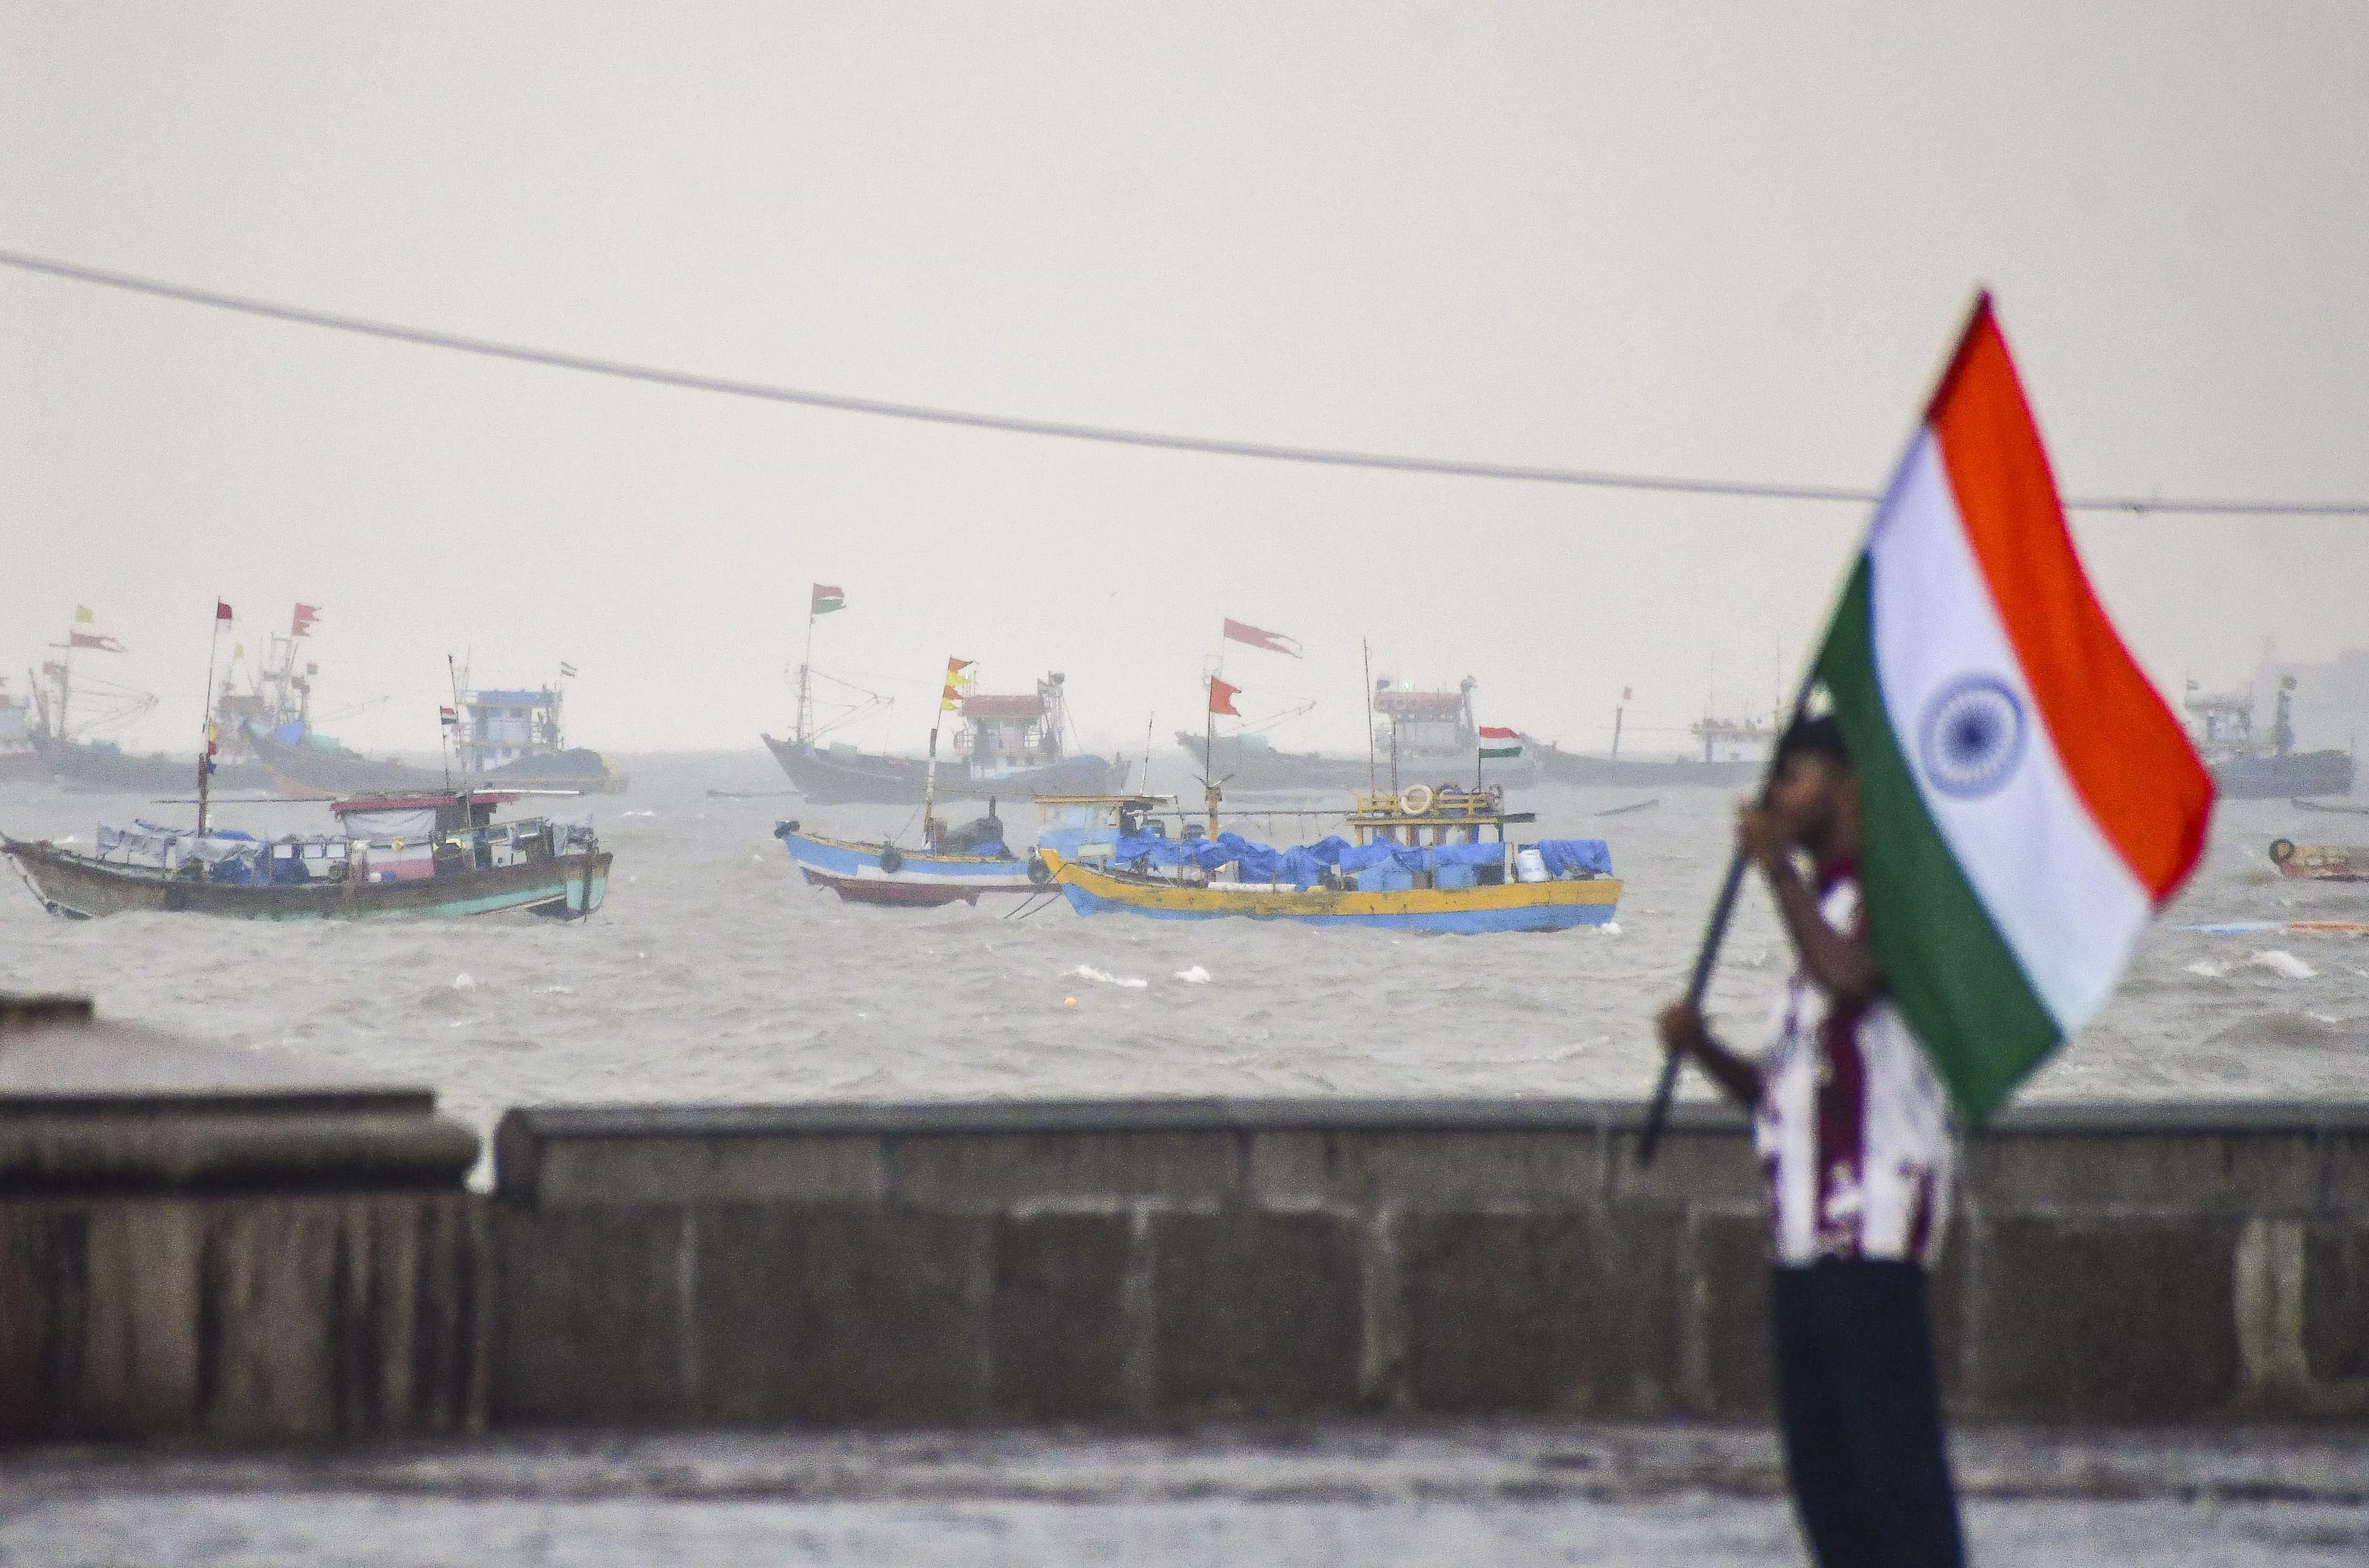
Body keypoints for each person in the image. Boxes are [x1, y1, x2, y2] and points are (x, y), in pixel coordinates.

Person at [1657, 713, 1965, 1568]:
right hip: (1800, 1244)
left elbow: (1856, 977)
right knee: (1830, 1496)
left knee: (1898, 1490)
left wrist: (1776, 874)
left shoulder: (1891, 891)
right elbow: (1779, 1091)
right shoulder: (1819, 910)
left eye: (1792, 777)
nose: (1771, 797)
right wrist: (1704, 1048)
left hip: (1871, 1236)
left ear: (1848, 787)